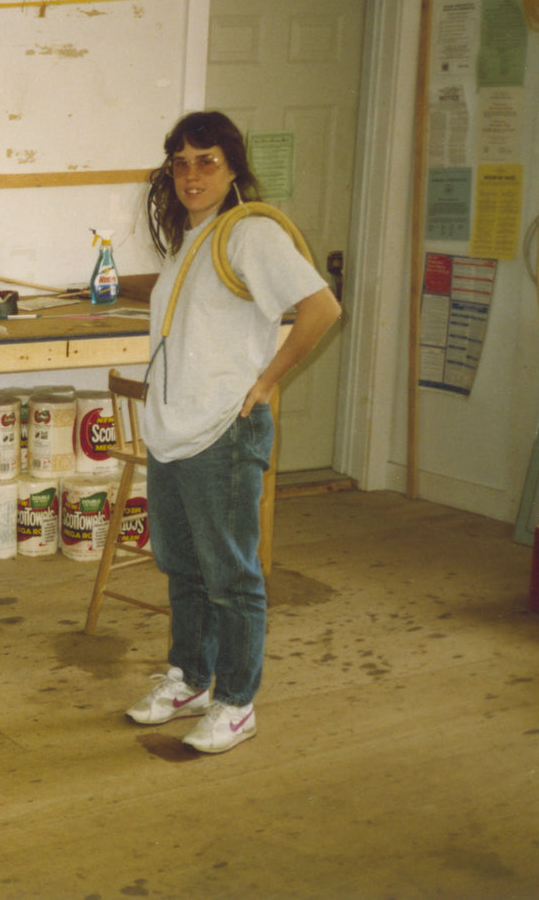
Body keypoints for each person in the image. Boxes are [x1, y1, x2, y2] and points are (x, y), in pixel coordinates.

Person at [127, 111, 341, 753]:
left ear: (232, 167)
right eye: (182, 162)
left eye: (208, 161)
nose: (192, 175)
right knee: (183, 568)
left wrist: (267, 380)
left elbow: (321, 308)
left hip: (223, 431)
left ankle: (237, 702)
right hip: (174, 432)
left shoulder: (249, 234)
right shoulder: (195, 239)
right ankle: (191, 679)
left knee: (231, 577)